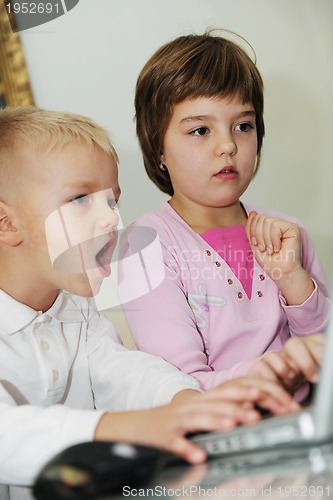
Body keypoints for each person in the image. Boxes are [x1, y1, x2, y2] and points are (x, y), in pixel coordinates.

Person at [0, 106, 301, 494]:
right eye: (80, 199)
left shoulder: (77, 314)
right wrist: (124, 427)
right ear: (7, 223)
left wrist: (187, 403)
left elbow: (127, 371)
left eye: (112, 201)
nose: (111, 219)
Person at [120, 31, 331, 393]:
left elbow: (325, 355)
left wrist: (294, 280)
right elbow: (180, 387)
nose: (228, 145)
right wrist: (276, 371)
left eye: (243, 126)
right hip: (219, 437)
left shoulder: (289, 234)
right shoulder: (145, 247)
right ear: (158, 149)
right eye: (200, 129)